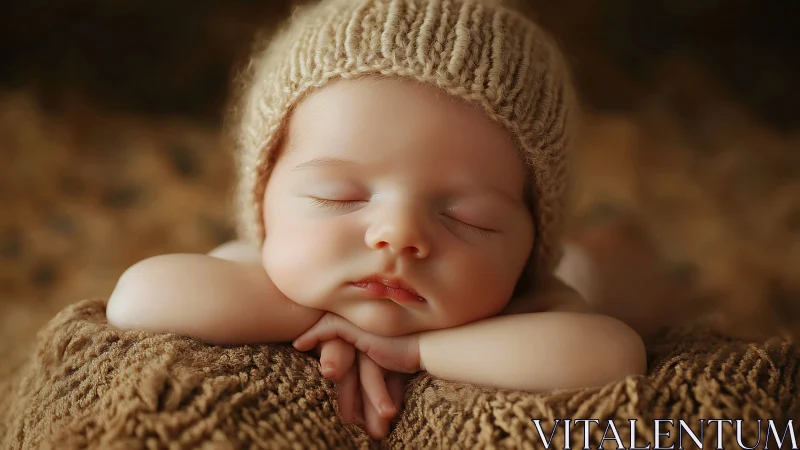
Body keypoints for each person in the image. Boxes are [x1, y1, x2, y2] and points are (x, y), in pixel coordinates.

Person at [106, 0, 646, 440]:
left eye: (467, 217)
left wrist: (413, 350)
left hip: (588, 269)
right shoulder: (254, 269)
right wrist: (304, 315)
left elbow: (613, 355)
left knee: (599, 269)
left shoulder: (533, 304)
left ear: (528, 246)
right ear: (264, 201)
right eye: (339, 196)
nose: (398, 235)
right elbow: (139, 297)